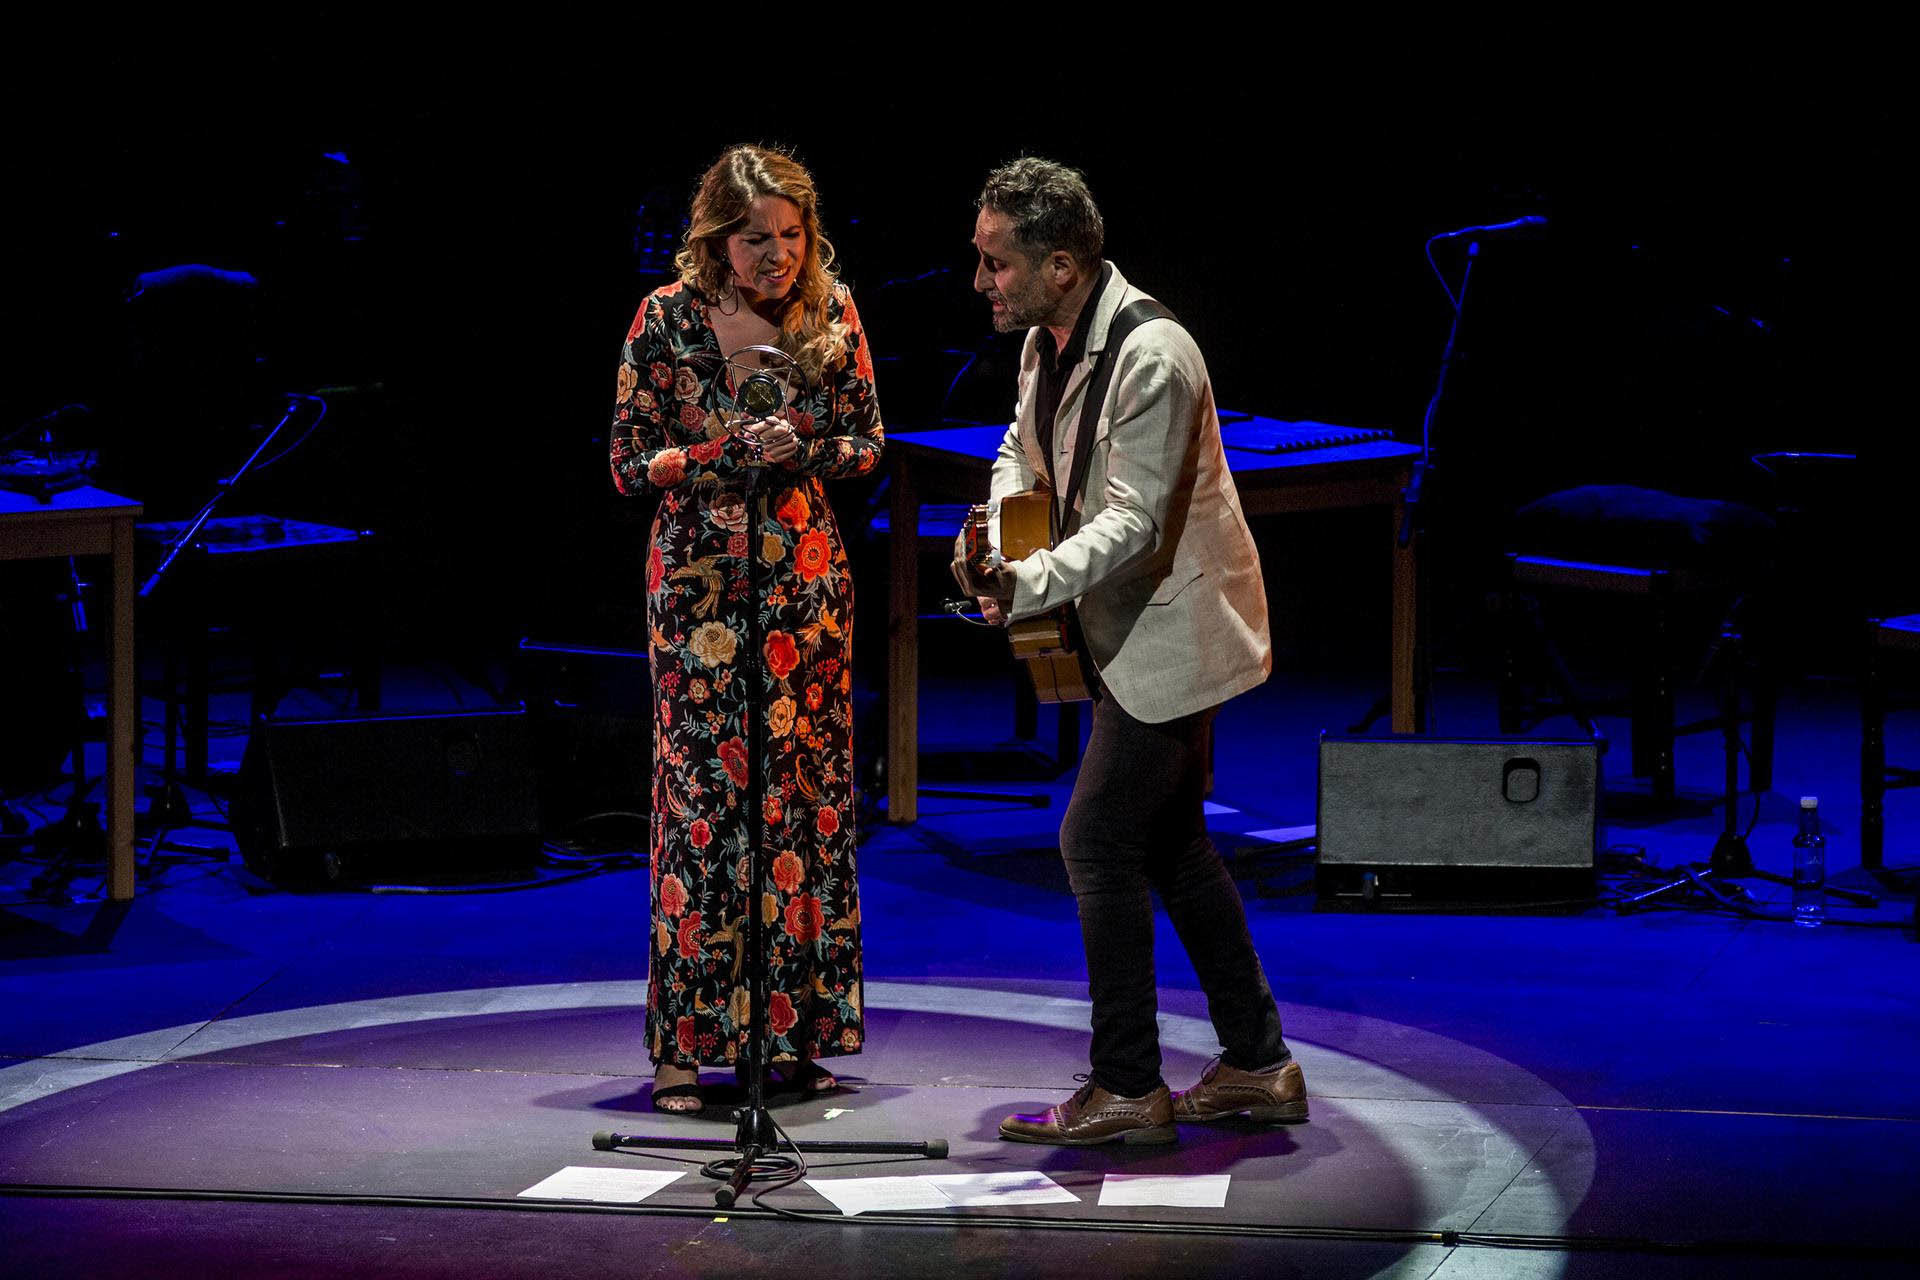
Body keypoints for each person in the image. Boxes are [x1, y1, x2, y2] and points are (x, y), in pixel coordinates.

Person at [952, 157, 1307, 1145]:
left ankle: (1126, 1086)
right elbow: (1020, 451)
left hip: (1175, 629)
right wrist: (999, 533)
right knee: (1171, 842)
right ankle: (1259, 1064)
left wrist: (1023, 582)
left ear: (1061, 265)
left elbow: (1134, 522)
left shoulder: (1154, 355)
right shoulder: (1047, 342)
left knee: (1097, 838)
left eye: (997, 263)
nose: (981, 282)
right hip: (1126, 622)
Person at [610, 144, 881, 1115]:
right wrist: (721, 453)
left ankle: (798, 1036)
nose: (777, 256)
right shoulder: (665, 318)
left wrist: (804, 446)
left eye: (791, 235)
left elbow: (866, 442)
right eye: (756, 239)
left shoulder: (831, 311)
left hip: (803, 586)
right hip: (700, 594)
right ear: (716, 240)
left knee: (802, 802)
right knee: (704, 806)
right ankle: (686, 1050)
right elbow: (629, 463)